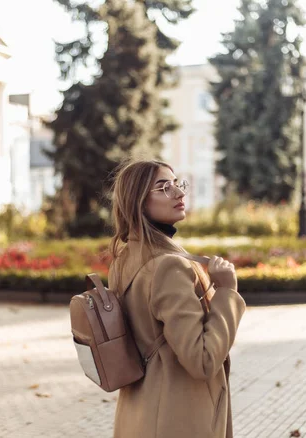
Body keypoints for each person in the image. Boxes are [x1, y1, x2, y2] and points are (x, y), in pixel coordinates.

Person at [107, 159, 246, 438]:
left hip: (139, 413)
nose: (179, 193)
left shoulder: (123, 260)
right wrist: (228, 292)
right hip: (177, 416)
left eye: (177, 184)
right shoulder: (169, 267)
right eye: (163, 188)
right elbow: (202, 360)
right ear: (138, 202)